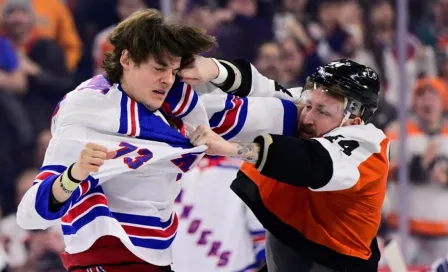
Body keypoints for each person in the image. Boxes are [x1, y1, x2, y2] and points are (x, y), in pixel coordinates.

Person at [16, 9, 217, 272]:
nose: (168, 79)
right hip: (103, 259)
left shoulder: (179, 107)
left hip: (160, 257)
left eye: (173, 70)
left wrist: (216, 70)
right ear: (127, 58)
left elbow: (255, 117)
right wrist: (73, 175)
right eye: (158, 67)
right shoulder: (87, 106)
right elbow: (31, 213)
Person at [182, 57, 389, 271]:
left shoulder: (369, 144)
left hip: (337, 262)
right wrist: (213, 69)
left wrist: (231, 149)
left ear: (353, 120)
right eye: (309, 105)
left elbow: (311, 162)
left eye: (322, 112)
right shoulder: (316, 110)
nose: (307, 117)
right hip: (294, 251)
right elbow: (264, 90)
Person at [171, 156, 266, 272]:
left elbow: (262, 236)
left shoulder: (243, 171)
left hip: (236, 265)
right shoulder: (244, 170)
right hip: (232, 264)